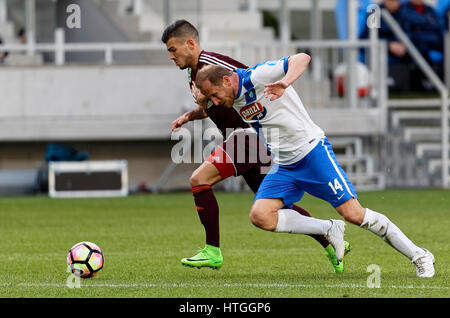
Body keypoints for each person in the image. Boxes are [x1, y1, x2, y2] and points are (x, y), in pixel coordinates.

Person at [195, 54, 435, 278]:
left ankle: (420, 255)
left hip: (312, 153)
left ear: (227, 80)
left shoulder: (257, 76)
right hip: (285, 164)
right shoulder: (229, 94)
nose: (215, 102)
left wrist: (285, 82)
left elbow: (302, 57)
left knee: (354, 214)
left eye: (215, 95)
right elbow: (213, 99)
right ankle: (328, 228)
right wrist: (194, 111)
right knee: (261, 216)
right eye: (211, 99)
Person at [161, 20, 350, 272]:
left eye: (173, 49)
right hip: (248, 139)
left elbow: (243, 87)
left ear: (191, 44)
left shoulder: (215, 66)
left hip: (248, 136)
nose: (171, 56)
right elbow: (219, 103)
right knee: (279, 207)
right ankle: (331, 239)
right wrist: (190, 115)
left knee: (199, 180)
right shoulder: (193, 73)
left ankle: (212, 250)